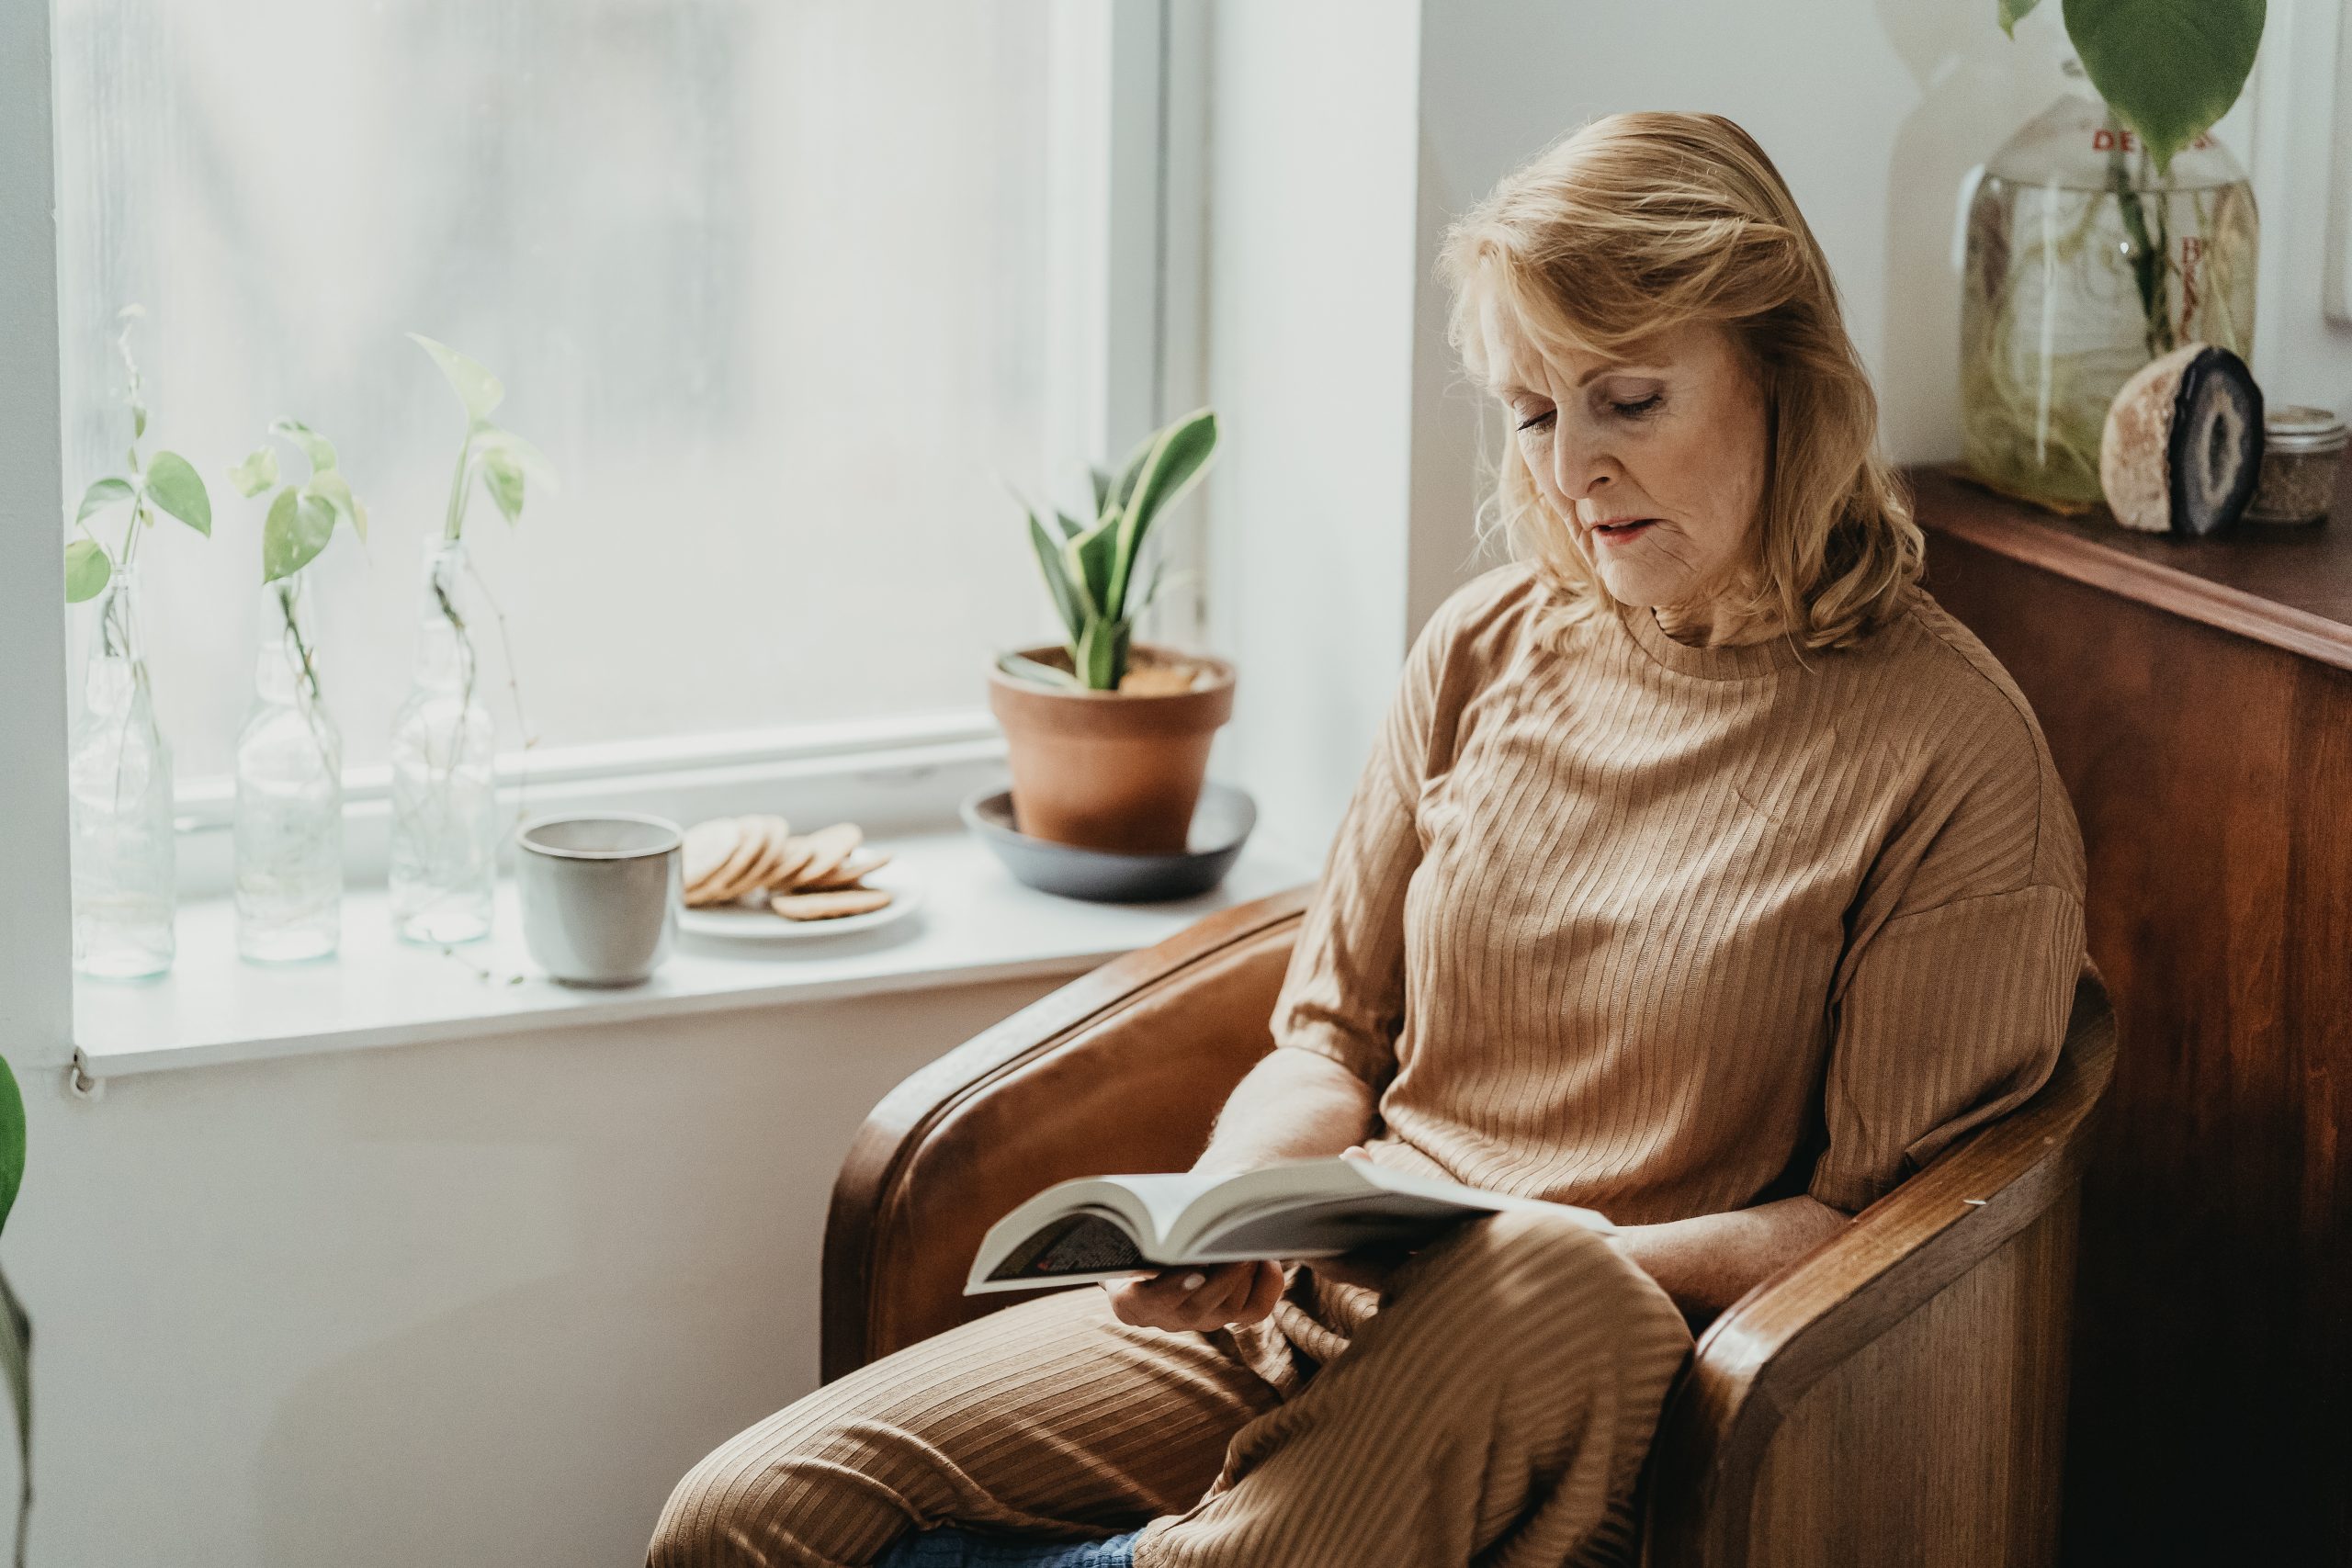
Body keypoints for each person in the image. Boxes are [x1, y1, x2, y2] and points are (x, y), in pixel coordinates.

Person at [648, 110, 2089, 1568]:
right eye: (1534, 413)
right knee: (745, 1519)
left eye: (1629, 400)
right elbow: (1324, 1044)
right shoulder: (1481, 647)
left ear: (1785, 379)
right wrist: (1230, 1215)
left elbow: (1884, 1241)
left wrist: (1553, 1256)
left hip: (1595, 1355)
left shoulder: (1948, 750)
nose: (1572, 470)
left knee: (1540, 1269)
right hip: (1326, 1298)